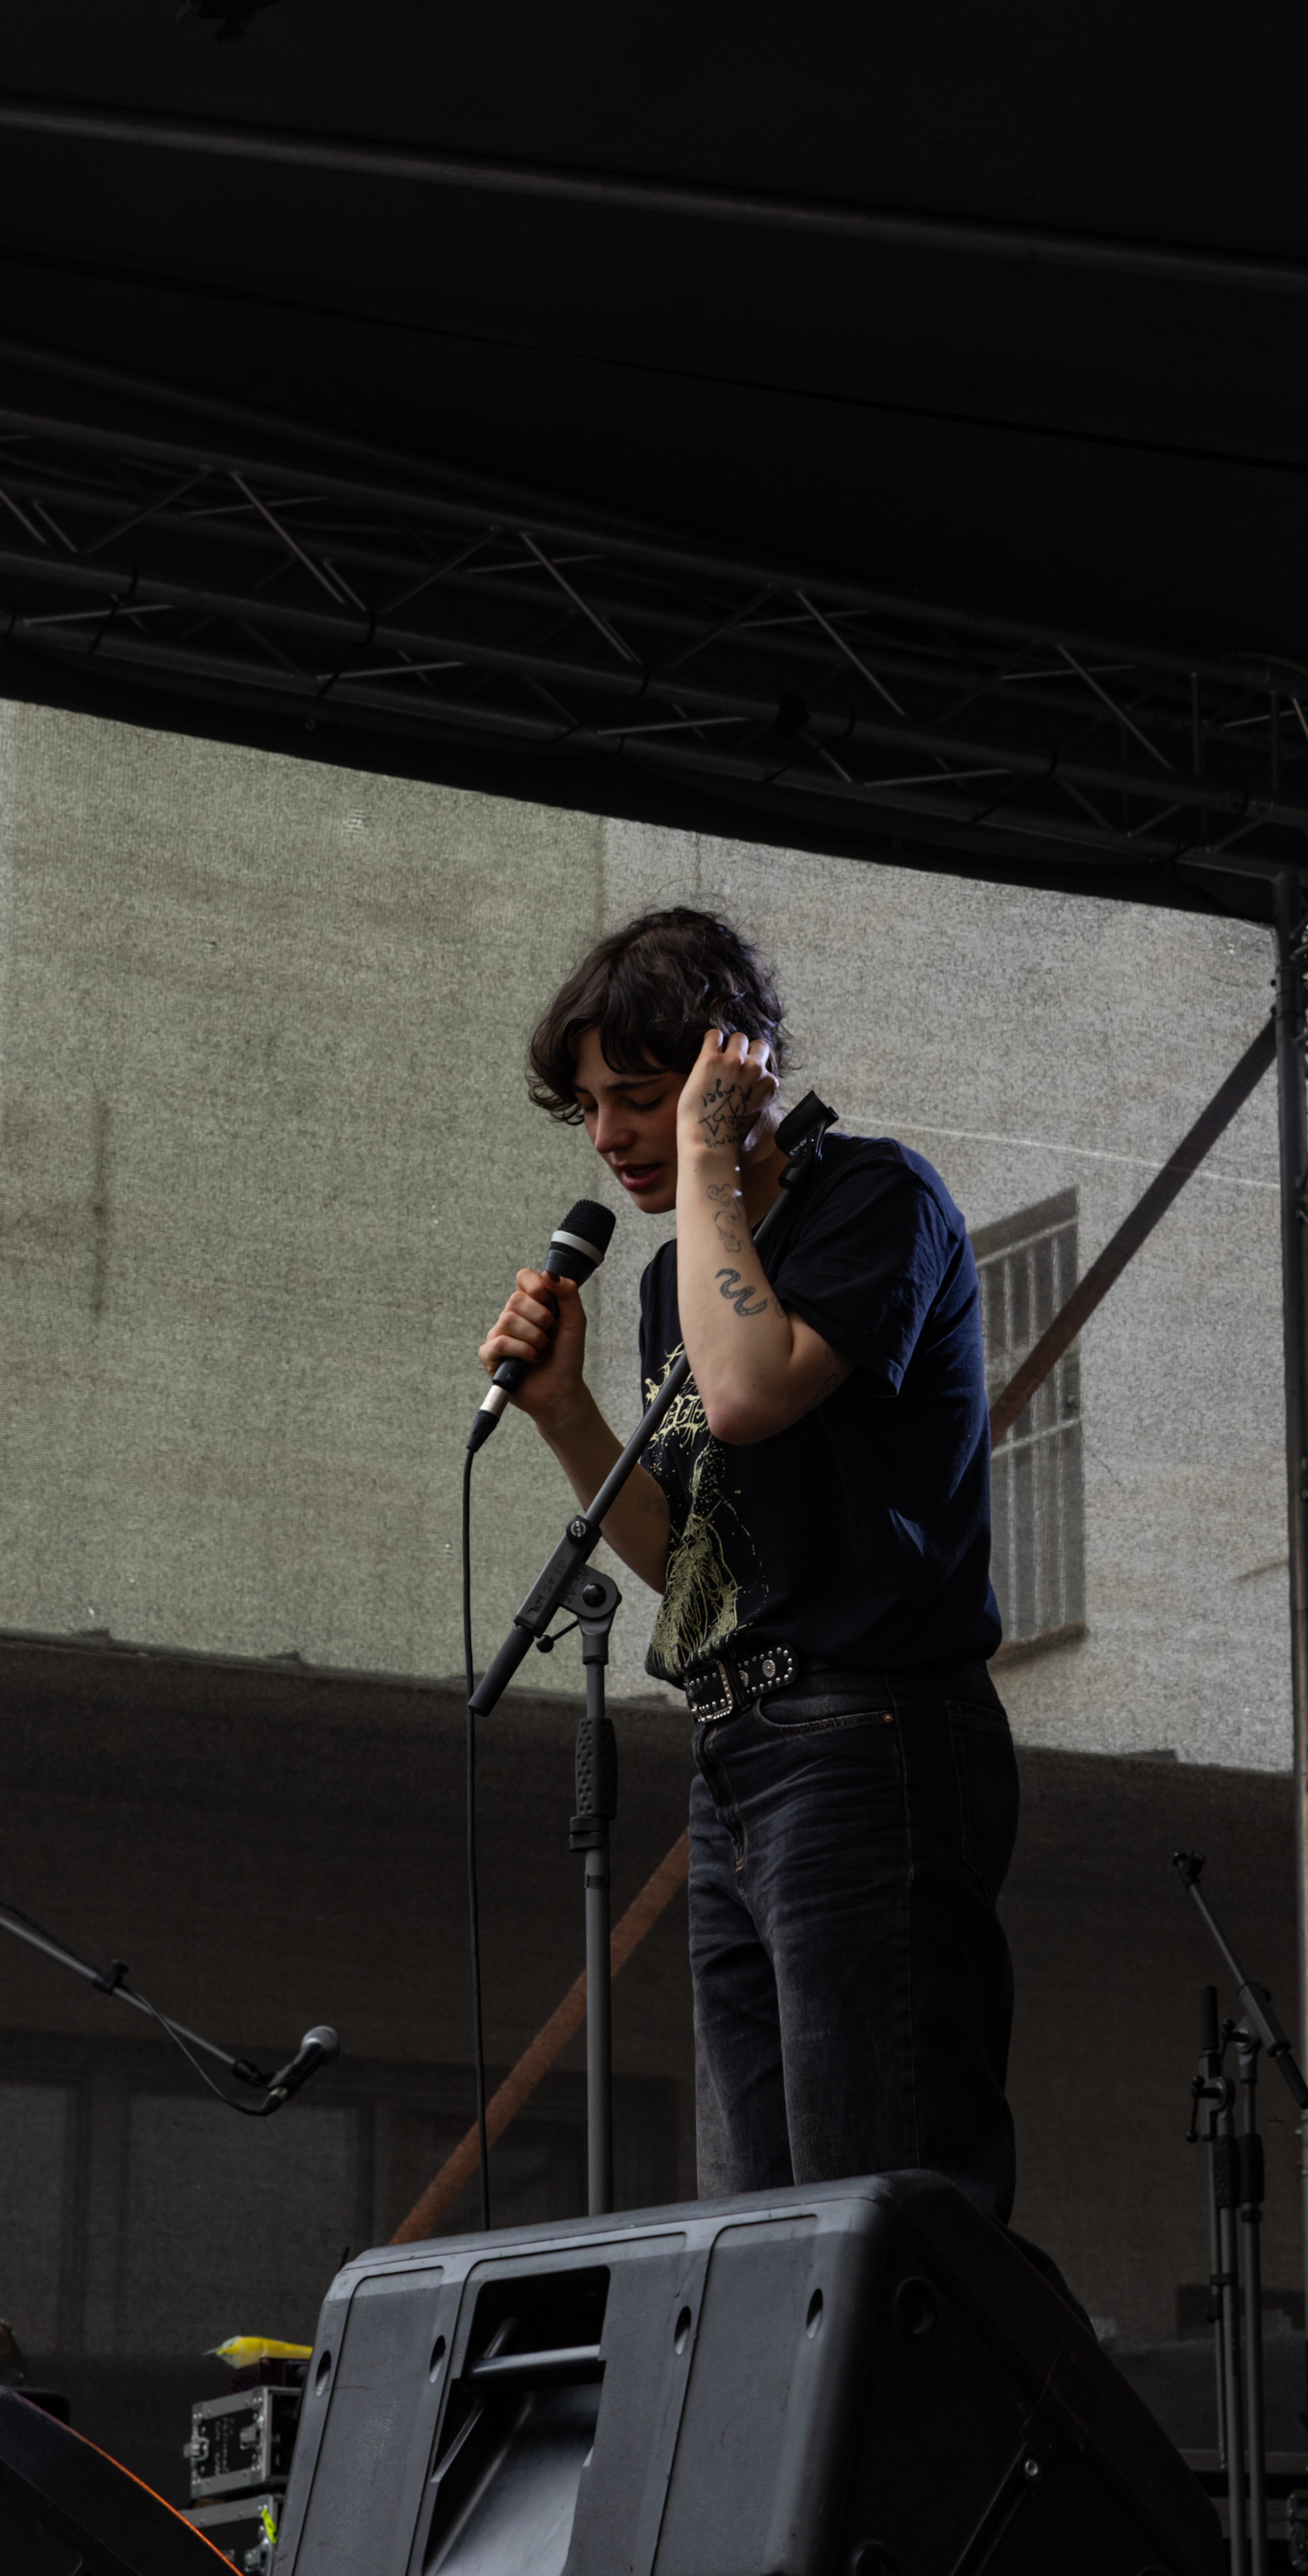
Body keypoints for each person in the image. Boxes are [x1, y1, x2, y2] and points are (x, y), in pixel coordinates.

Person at [478, 906, 1022, 2220]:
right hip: (740, 1747)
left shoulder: (875, 1198)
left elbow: (748, 1392)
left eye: (639, 1097)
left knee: (875, 2197)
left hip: (869, 1730)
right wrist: (565, 1413)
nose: (608, 1136)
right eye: (589, 1109)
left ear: (736, 1064)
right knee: (762, 2220)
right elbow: (697, 1563)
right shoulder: (682, 1273)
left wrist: (711, 1157)